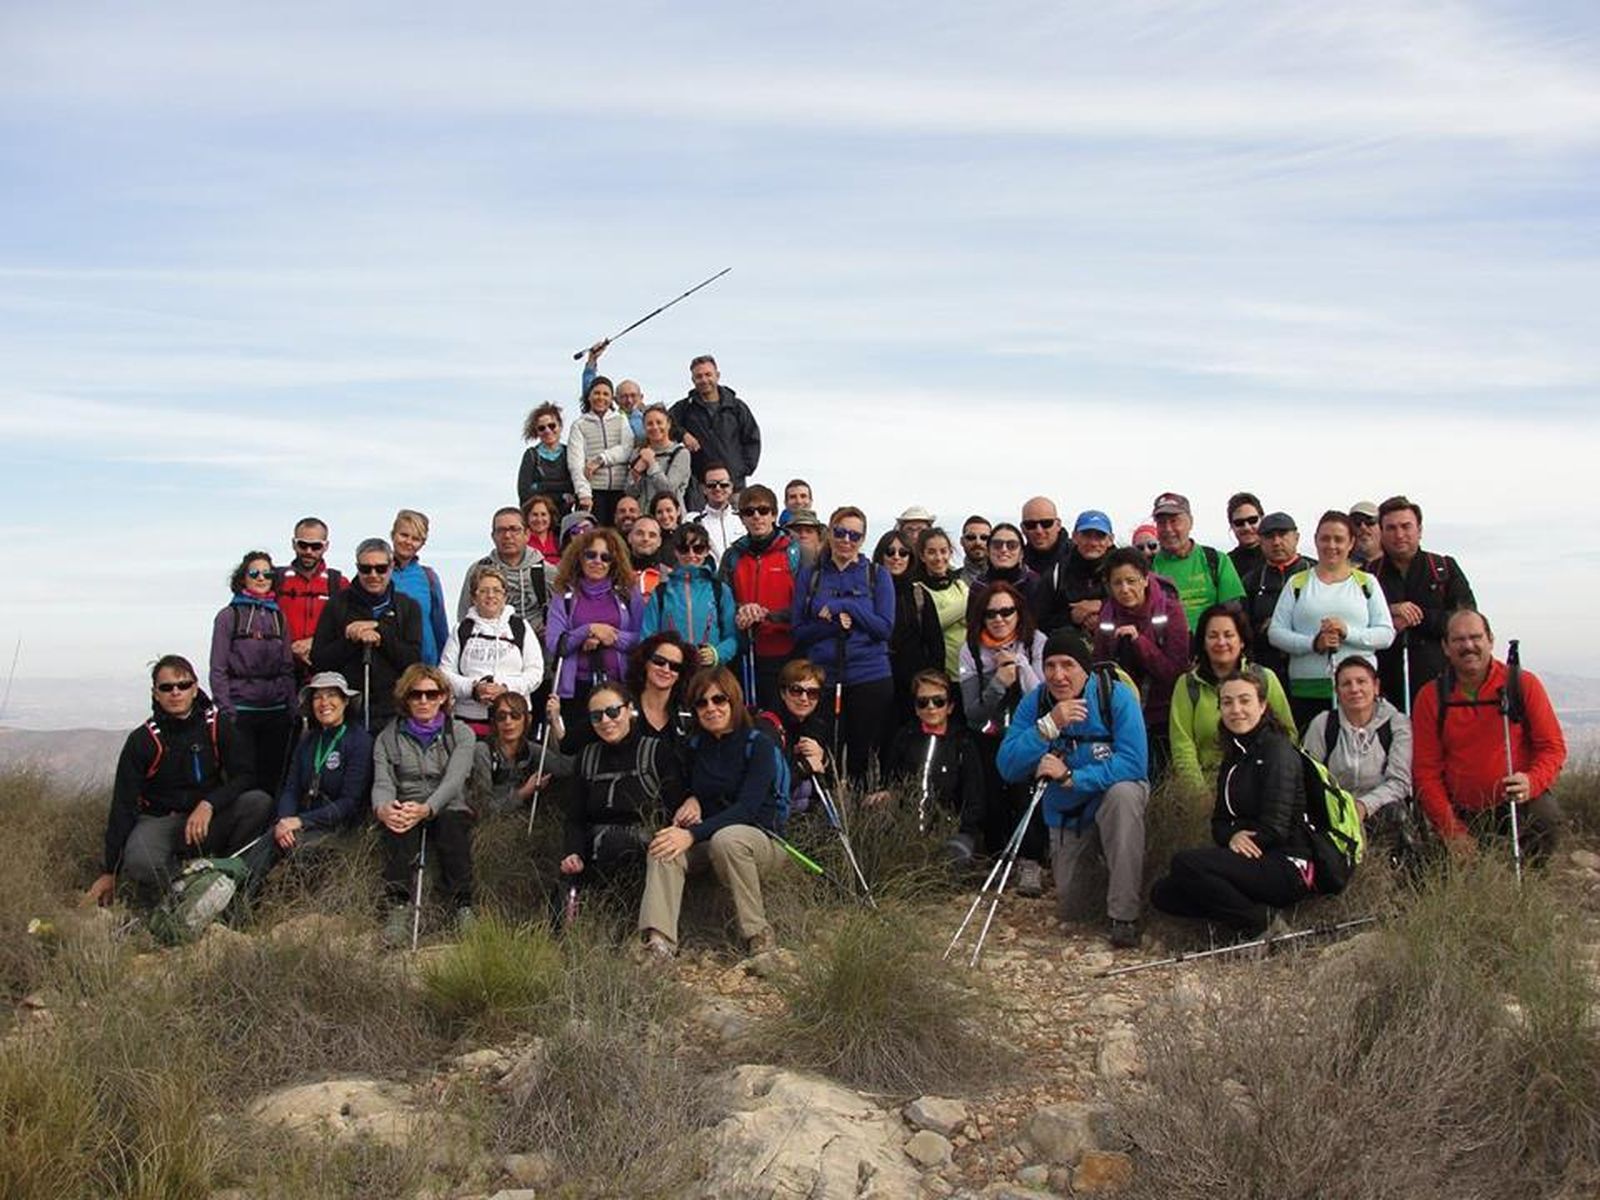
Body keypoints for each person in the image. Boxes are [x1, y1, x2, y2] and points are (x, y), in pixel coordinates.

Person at [998, 628, 1149, 948]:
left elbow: (1135, 763)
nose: (1058, 675)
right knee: (1074, 909)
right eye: (1050, 665)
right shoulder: (1037, 702)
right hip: (1068, 814)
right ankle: (1103, 877)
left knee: (1123, 795)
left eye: (1068, 665)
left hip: (1110, 801)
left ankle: (1124, 915)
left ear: (1086, 668)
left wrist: (1072, 777)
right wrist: (1047, 727)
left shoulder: (1115, 696)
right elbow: (1007, 766)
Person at [86, 656, 273, 907]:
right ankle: (178, 894)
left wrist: (210, 803)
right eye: (166, 687)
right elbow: (123, 805)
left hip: (207, 820)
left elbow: (245, 776)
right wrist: (110, 870)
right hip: (160, 821)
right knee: (141, 863)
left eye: (183, 685)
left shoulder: (216, 726)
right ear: (155, 694)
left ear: (195, 689)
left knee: (258, 804)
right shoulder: (143, 740)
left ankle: (224, 872)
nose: (175, 692)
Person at [1150, 669, 1315, 937]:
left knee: (1185, 863)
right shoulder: (1233, 755)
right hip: (1250, 857)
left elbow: (1276, 828)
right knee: (1163, 893)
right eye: (1227, 702)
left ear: (1262, 706)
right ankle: (1246, 917)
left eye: (1245, 700)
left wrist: (1238, 842)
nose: (1236, 709)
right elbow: (1219, 823)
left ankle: (1263, 922)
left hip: (1288, 864)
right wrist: (1233, 836)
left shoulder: (1278, 751)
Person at [638, 666, 785, 958]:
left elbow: (746, 808)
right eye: (702, 703)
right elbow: (686, 788)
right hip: (710, 839)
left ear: (733, 700)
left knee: (727, 839)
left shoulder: (759, 745)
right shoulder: (695, 746)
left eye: (719, 700)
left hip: (761, 841)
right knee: (664, 845)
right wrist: (691, 798)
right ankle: (658, 942)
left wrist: (691, 835)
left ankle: (758, 935)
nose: (711, 708)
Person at [1411, 609, 1567, 859]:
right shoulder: (1430, 697)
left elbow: (1552, 747)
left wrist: (1531, 781)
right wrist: (1451, 829)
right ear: (1445, 647)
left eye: (1475, 637)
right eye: (1458, 640)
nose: (1468, 646)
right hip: (1460, 807)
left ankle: (1530, 879)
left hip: (1517, 803)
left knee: (1545, 817)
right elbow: (1425, 771)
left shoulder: (1522, 684)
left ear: (1490, 640)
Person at [372, 664, 479, 945]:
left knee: (452, 827)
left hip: (446, 805)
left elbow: (455, 779)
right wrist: (383, 808)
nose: (423, 701)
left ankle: (462, 906)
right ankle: (398, 908)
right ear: (405, 698)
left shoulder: (461, 733)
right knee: (397, 826)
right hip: (406, 803)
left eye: (431, 694)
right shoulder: (388, 737)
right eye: (415, 694)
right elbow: (383, 782)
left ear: (443, 697)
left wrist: (427, 808)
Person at [560, 681, 684, 915]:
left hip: (645, 847)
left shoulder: (657, 751)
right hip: (593, 849)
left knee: (617, 846)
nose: (606, 721)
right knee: (562, 890)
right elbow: (574, 817)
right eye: (597, 717)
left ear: (629, 710)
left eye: (613, 712)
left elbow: (674, 807)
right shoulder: (587, 757)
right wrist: (572, 852)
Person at [793, 507, 897, 783]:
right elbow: (799, 632)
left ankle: (862, 815)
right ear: (830, 533)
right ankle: (823, 816)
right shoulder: (810, 575)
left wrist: (845, 605)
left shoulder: (877, 575)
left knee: (864, 755)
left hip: (870, 675)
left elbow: (884, 628)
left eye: (854, 535)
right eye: (840, 532)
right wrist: (832, 623)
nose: (846, 540)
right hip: (823, 677)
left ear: (863, 539)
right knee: (824, 751)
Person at [1268, 510, 1395, 732]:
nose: (1331, 545)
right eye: (1325, 538)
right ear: (1316, 540)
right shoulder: (1297, 584)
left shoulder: (1367, 583)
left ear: (1351, 543)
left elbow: (1385, 633)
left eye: (1339, 539)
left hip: (1357, 692)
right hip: (1307, 691)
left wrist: (1347, 632)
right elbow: (1276, 633)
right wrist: (1313, 643)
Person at [958, 582, 1046, 886]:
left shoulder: (1035, 643)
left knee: (1025, 793)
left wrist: (1020, 667)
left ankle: (1031, 859)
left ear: (1018, 613)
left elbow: (1044, 698)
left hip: (1026, 733)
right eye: (991, 613)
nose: (999, 619)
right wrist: (997, 682)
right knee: (991, 797)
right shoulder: (970, 651)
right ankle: (999, 856)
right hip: (988, 734)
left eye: (1007, 611)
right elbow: (972, 711)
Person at [1169, 605, 1295, 796]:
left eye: (1229, 635)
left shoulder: (1264, 678)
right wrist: (1199, 796)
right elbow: (1182, 746)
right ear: (1202, 642)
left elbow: (1288, 734)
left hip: (1262, 784)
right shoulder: (1187, 685)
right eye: (1212, 636)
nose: (1221, 642)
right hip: (1207, 787)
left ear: (1242, 640)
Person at [1370, 495, 1476, 708]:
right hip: (1385, 690)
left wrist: (1417, 617)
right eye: (1391, 528)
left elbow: (1467, 620)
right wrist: (1388, 612)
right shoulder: (1369, 575)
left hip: (1442, 683)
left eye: (1406, 526)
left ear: (1419, 530)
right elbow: (1358, 622)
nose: (1399, 534)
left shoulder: (1443, 569)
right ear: (1381, 532)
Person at [1091, 547, 1189, 773]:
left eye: (1131, 581)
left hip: (1162, 716)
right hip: (1120, 717)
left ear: (1145, 579)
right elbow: (1099, 665)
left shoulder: (1171, 611)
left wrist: (1139, 643)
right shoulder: (1107, 615)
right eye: (1117, 583)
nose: (1125, 589)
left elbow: (1174, 671)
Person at [545, 527, 644, 749]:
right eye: (590, 555)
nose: (597, 561)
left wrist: (611, 636)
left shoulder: (628, 593)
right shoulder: (565, 596)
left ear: (614, 561)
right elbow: (554, 643)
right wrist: (587, 630)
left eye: (605, 557)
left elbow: (642, 639)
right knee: (579, 752)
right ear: (579, 557)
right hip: (577, 690)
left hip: (620, 687)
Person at [209, 550, 297, 796]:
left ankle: (268, 830)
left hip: (275, 711)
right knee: (242, 779)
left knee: (273, 779)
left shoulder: (278, 616)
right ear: (242, 578)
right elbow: (218, 667)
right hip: (241, 711)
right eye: (254, 573)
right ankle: (242, 830)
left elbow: (287, 668)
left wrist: (290, 706)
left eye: (267, 573)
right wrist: (227, 710)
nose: (261, 578)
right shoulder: (229, 616)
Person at [310, 538, 423, 728]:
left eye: (380, 568)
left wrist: (381, 634)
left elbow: (412, 661)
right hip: (348, 713)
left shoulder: (408, 606)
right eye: (365, 568)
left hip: (393, 712)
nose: (373, 575)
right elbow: (319, 660)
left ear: (391, 566)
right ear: (357, 567)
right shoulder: (337, 605)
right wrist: (351, 640)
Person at [874, 669, 986, 857]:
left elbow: (975, 797)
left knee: (954, 856)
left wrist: (956, 826)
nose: (931, 707)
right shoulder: (904, 738)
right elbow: (890, 782)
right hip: (906, 829)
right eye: (923, 702)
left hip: (952, 831)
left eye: (939, 701)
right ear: (916, 709)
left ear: (950, 707)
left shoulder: (963, 743)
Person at [1303, 658, 1413, 830]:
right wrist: (1341, 809)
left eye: (1361, 682)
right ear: (1337, 691)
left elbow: (1400, 782)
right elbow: (1309, 776)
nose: (1354, 689)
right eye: (1346, 684)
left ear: (1376, 686)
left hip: (1381, 809)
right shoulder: (1322, 724)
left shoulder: (1397, 723)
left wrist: (1363, 806)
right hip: (1335, 813)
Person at [720, 484, 802, 710]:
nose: (756, 516)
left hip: (786, 652)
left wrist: (768, 615)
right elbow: (722, 599)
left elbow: (806, 603)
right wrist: (741, 610)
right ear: (742, 518)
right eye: (749, 512)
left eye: (763, 510)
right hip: (745, 653)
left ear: (774, 514)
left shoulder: (794, 552)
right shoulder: (732, 555)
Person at [273, 672, 373, 855]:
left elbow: (350, 803)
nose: (324, 702)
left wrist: (301, 821)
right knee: (274, 839)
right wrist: (284, 820)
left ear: (345, 701)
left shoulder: (360, 741)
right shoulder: (307, 740)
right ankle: (230, 877)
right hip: (303, 820)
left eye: (332, 695)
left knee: (298, 848)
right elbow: (291, 789)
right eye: (317, 697)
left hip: (340, 828)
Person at [440, 563, 544, 735]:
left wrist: (505, 688)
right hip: (469, 718)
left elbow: (535, 672)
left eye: (496, 590)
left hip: (513, 717)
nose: (490, 596)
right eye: (483, 591)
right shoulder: (462, 629)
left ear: (505, 596)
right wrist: (474, 688)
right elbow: (444, 673)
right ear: (474, 597)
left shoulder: (520, 627)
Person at [876, 526, 945, 738]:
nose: (897, 557)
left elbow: (935, 645)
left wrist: (931, 685)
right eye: (890, 552)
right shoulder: (869, 591)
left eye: (903, 552)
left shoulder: (919, 594)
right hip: (877, 679)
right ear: (881, 555)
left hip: (914, 684)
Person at [668, 354, 761, 508]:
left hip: (734, 487)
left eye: (708, 375)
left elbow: (752, 438)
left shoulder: (736, 407)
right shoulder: (685, 407)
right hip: (700, 488)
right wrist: (683, 434)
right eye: (699, 376)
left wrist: (742, 470)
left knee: (739, 529)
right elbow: (664, 422)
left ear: (717, 375)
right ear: (693, 380)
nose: (704, 380)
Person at [642, 523, 739, 671]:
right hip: (672, 673)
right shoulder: (661, 592)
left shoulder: (719, 589)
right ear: (676, 552)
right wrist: (662, 659)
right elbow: (646, 638)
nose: (691, 554)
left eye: (698, 549)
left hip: (710, 674)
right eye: (684, 549)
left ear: (707, 551)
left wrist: (717, 653)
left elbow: (732, 636)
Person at [1150, 492, 1246, 627]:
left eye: (1174, 521)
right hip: (1165, 645)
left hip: (1209, 645)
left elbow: (1233, 611)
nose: (1168, 529)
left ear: (1190, 522)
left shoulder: (1216, 560)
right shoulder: (1147, 567)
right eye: (1161, 523)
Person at [1238, 511, 1312, 685]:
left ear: (1296, 537)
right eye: (1269, 536)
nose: (1277, 542)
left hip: (1309, 666)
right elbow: (1243, 628)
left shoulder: (1315, 573)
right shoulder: (1251, 581)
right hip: (1266, 670)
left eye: (1283, 534)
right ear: (1260, 541)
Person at [473, 691, 567, 816]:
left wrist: (555, 722)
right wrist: (524, 792)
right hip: (488, 826)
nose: (508, 721)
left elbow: (566, 770)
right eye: (501, 716)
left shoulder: (532, 750)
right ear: (494, 722)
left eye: (515, 715)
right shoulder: (482, 751)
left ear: (527, 720)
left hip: (525, 821)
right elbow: (483, 807)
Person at [456, 507, 550, 631]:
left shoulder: (547, 572)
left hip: (538, 645)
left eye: (514, 529)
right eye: (500, 530)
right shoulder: (478, 571)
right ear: (493, 536)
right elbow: (464, 616)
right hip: (491, 644)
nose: (507, 536)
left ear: (527, 534)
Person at [275, 517, 344, 683]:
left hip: (323, 673)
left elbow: (349, 625)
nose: (308, 551)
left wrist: (315, 642)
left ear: (326, 546)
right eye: (302, 544)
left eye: (316, 546)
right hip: (281, 672)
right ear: (293, 544)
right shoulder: (276, 579)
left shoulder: (338, 583)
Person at [567, 374, 635, 527]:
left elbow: (627, 449)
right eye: (596, 393)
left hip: (620, 489)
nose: (601, 397)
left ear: (612, 399)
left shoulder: (620, 420)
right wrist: (584, 493)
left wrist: (601, 460)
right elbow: (576, 463)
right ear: (589, 396)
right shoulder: (579, 424)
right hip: (593, 492)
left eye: (606, 394)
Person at [1033, 509, 1113, 636]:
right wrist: (1071, 618)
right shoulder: (1056, 573)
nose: (1092, 543)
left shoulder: (1123, 571)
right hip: (1068, 650)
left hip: (1115, 646)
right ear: (1075, 537)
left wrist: (1103, 608)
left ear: (1110, 540)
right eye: (1086, 535)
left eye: (1100, 536)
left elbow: (1140, 610)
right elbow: (1038, 621)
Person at [774, 659, 835, 816]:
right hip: (776, 815)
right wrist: (804, 766)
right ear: (783, 693)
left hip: (812, 817)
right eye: (796, 690)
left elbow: (834, 785)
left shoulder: (819, 726)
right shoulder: (769, 726)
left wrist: (824, 760)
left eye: (812, 693)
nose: (804, 698)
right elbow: (769, 785)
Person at [389, 509, 450, 667]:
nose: (408, 542)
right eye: (404, 535)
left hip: (423, 665)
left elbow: (440, 626)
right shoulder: (375, 572)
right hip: (385, 664)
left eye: (416, 538)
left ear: (422, 543)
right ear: (393, 534)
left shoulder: (428, 577)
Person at [913, 527, 969, 682]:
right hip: (939, 673)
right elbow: (930, 626)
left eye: (943, 551)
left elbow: (975, 617)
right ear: (922, 556)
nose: (938, 558)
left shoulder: (960, 585)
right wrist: (965, 606)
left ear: (950, 553)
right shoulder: (917, 589)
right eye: (932, 552)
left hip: (968, 670)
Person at [627, 632, 694, 747]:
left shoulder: (687, 714)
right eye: (659, 661)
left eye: (675, 666)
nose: (666, 670)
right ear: (645, 662)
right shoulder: (624, 708)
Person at [626, 403, 691, 513]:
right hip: (645, 517)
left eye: (659, 422)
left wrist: (651, 463)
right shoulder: (638, 453)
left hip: (670, 517)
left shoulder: (680, 453)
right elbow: (630, 492)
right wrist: (636, 472)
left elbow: (669, 490)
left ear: (669, 424)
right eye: (649, 424)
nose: (655, 427)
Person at [581, 342, 647, 440]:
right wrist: (592, 359)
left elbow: (640, 436)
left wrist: (636, 414)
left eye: (633, 396)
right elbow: (591, 391)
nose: (629, 400)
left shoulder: (650, 419)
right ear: (615, 400)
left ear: (641, 397)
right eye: (624, 396)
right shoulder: (611, 418)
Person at [518, 402, 575, 512]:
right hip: (538, 517)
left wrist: (540, 486)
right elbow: (525, 493)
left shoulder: (570, 452)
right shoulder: (531, 455)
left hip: (564, 516)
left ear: (560, 426)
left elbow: (573, 485)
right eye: (541, 428)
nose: (547, 431)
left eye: (552, 425)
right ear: (537, 432)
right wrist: (561, 494)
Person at [687, 462, 740, 562]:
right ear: (703, 489)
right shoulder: (692, 521)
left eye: (724, 484)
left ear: (731, 487)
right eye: (712, 485)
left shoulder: (744, 520)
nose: (718, 488)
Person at [978, 523, 1039, 595]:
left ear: (1021, 554)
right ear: (988, 551)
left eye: (1012, 546)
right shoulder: (979, 585)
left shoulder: (1035, 583)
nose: (1004, 550)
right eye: (997, 545)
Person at [1019, 496, 1068, 576]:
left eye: (1046, 523)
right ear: (1023, 528)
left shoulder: (1077, 557)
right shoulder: (1015, 562)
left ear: (1058, 525)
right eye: (1030, 525)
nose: (1039, 531)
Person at [1225, 491, 1265, 578]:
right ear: (1231, 526)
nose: (1246, 527)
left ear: (1262, 519)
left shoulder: (1276, 557)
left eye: (1252, 520)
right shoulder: (1225, 564)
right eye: (1239, 522)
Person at [627, 517, 667, 596]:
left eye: (652, 535)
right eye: (640, 533)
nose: (646, 539)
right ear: (629, 537)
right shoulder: (615, 574)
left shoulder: (670, 578)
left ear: (659, 541)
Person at [523, 495, 562, 565]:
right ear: (527, 517)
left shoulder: (560, 540)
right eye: (535, 515)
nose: (539, 519)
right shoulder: (522, 542)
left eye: (543, 514)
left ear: (550, 517)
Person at [959, 515, 992, 586]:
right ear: (962, 541)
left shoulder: (1006, 579)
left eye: (984, 538)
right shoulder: (951, 581)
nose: (978, 542)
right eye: (971, 537)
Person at [1349, 500, 1382, 568]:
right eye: (1357, 522)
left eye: (1369, 521)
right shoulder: (1340, 568)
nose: (1363, 527)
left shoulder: (1397, 563)